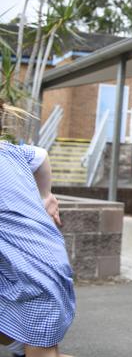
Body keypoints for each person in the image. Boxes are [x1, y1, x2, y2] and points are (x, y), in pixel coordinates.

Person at [0, 140, 76, 357]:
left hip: (36, 271)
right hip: (27, 261)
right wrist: (45, 196)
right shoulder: (9, 150)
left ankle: (29, 347)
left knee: (41, 351)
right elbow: (41, 155)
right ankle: (21, 346)